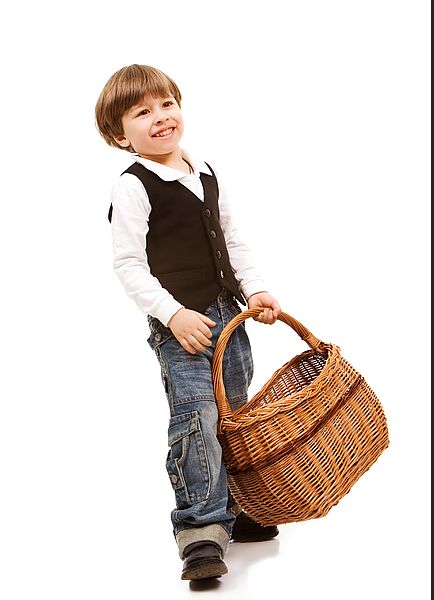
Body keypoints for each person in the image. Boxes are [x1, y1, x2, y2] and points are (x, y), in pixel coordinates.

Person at [95, 64, 281, 581]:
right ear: (119, 135)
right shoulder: (133, 187)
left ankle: (239, 508)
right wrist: (173, 314)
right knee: (196, 418)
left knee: (235, 414)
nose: (160, 118)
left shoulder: (205, 171)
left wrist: (255, 287)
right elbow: (129, 265)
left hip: (230, 316)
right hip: (184, 325)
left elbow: (232, 237)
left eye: (167, 104)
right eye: (142, 112)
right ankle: (200, 528)